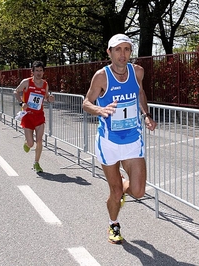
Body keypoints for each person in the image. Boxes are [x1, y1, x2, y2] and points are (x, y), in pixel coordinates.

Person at [82, 34, 157, 244]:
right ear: (109, 52)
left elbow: (140, 93)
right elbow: (86, 102)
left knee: (139, 191)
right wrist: (99, 109)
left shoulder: (137, 72)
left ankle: (124, 186)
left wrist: (147, 115)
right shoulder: (102, 76)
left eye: (126, 49)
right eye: (118, 49)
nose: (122, 54)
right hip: (109, 142)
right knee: (114, 192)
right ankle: (113, 224)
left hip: (133, 140)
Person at [14, 61, 54, 173]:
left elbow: (46, 97)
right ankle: (27, 143)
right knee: (31, 143)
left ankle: (36, 163)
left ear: (43, 72)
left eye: (41, 71)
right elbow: (15, 92)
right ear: (32, 72)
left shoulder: (45, 84)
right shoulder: (26, 82)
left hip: (39, 116)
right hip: (28, 116)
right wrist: (22, 103)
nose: (39, 73)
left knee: (40, 140)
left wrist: (49, 98)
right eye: (37, 70)